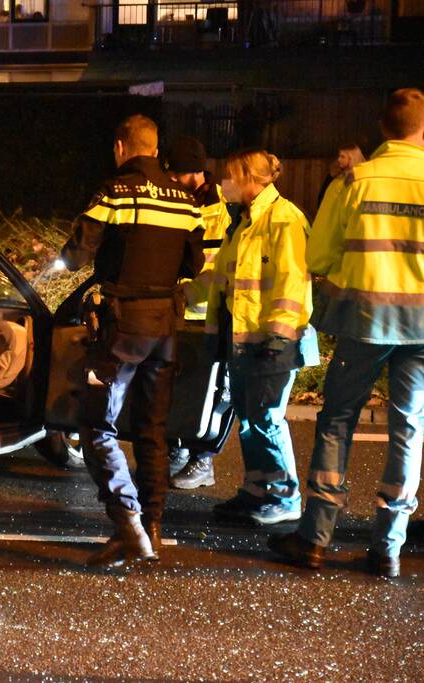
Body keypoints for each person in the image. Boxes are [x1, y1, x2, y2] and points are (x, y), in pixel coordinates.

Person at [268, 88, 424, 578]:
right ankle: (388, 547)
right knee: (408, 427)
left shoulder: (354, 179)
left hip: (364, 322)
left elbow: (317, 258)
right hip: (422, 328)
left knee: (337, 420)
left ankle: (315, 538)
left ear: (383, 128)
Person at [60, 114, 204, 566]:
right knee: (152, 430)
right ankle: (154, 528)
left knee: (96, 425)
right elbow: (195, 263)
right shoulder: (185, 200)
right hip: (166, 328)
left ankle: (128, 527)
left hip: (122, 330)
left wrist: (63, 263)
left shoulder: (115, 192)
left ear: (122, 147)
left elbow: (78, 251)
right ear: (156, 150)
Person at [205, 149, 319, 526]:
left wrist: (280, 337)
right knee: (251, 420)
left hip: (272, 343)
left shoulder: (284, 219)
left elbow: (293, 283)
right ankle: (257, 491)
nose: (226, 183)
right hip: (245, 341)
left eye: (231, 176)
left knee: (267, 419)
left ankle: (286, 497)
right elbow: (221, 279)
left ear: (253, 179)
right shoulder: (244, 223)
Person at [164, 136, 239, 489]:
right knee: (178, 387)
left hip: (209, 312)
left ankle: (203, 460)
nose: (172, 179)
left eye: (176, 173)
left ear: (193, 172)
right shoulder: (178, 201)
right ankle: (178, 447)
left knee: (212, 392)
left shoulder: (222, 211)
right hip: (179, 309)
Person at [315, 143, 365, 211]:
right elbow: (323, 201)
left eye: (342, 157)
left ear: (352, 158)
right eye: (338, 156)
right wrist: (330, 176)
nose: (338, 159)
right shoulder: (338, 178)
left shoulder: (360, 178)